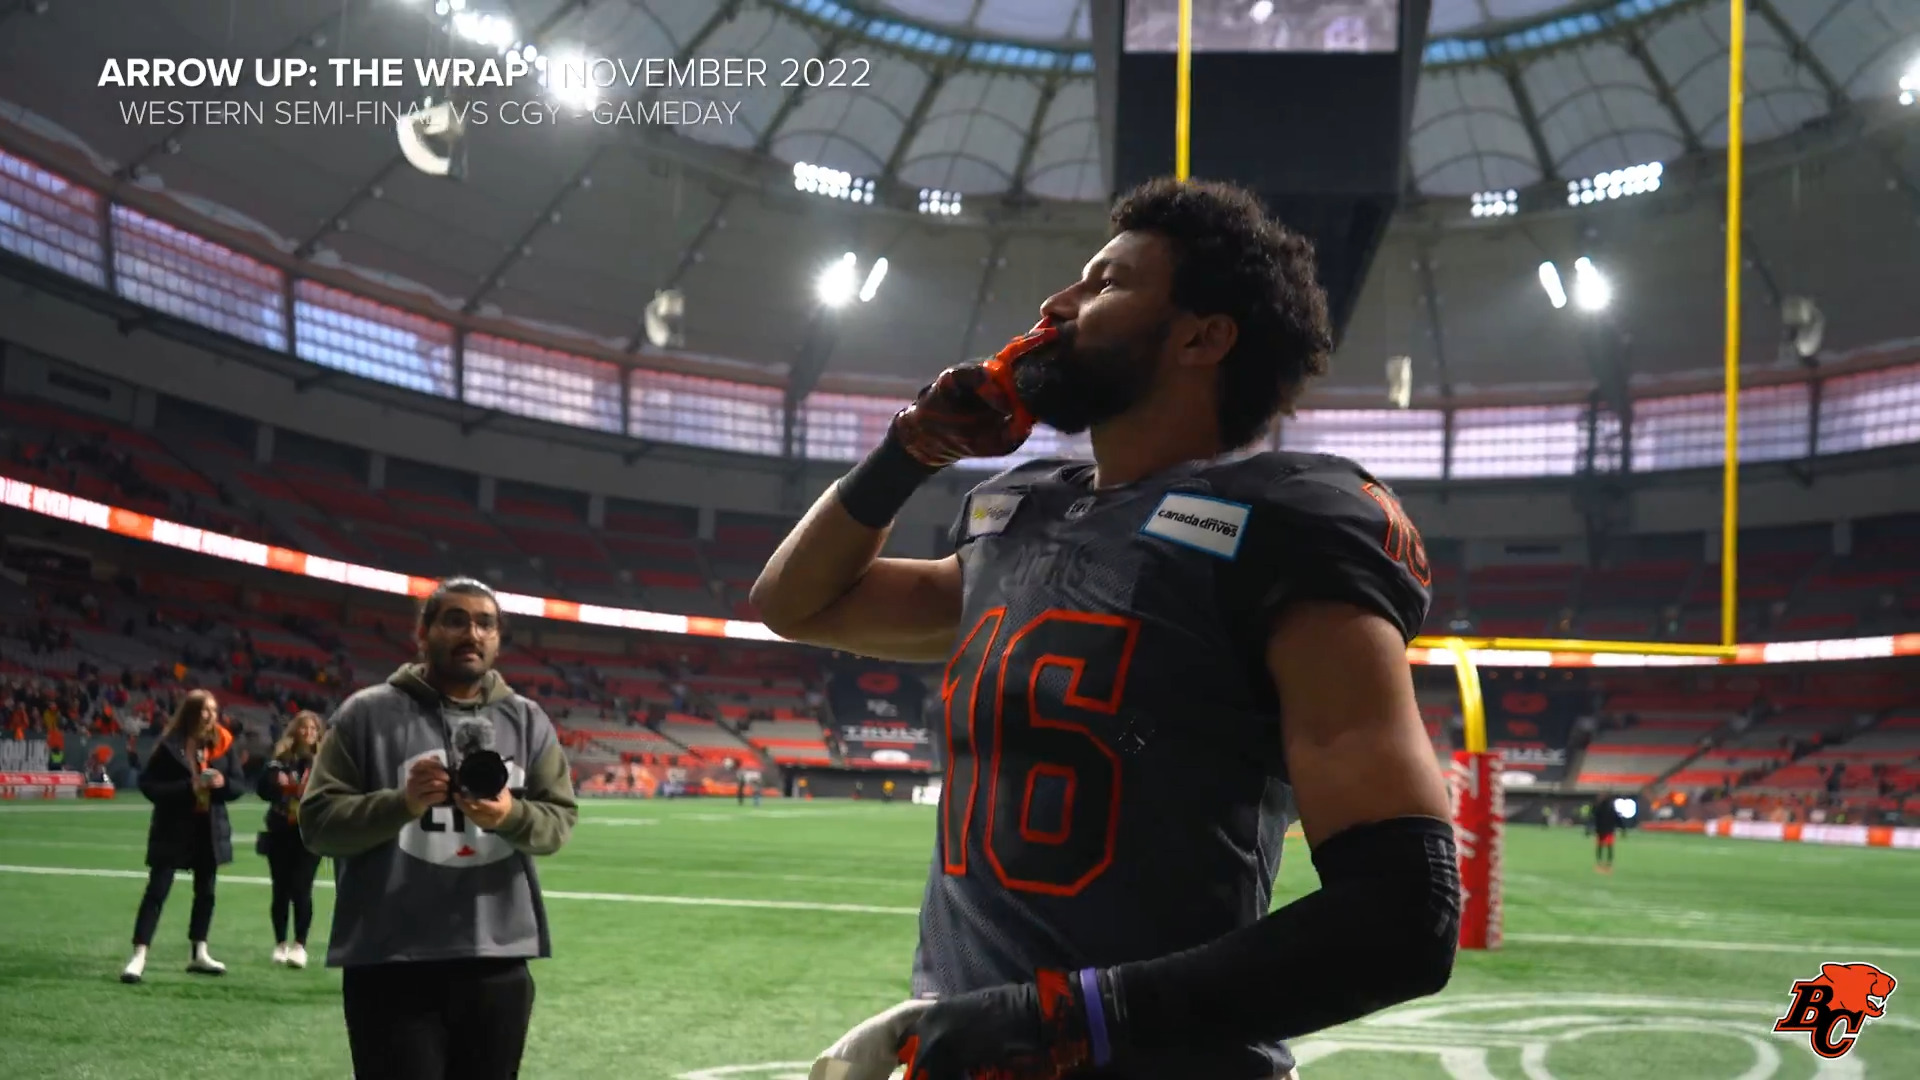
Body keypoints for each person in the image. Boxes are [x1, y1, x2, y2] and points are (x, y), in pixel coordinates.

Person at [757, 178, 1458, 1080]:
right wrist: (909, 451)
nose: (1058, 304)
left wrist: (1052, 1021)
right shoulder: (1018, 516)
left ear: (1203, 336)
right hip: (976, 1052)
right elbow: (796, 604)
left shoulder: (1286, 524)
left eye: (1105, 283)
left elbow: (1405, 919)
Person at [301, 577, 578, 1080]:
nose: (472, 633)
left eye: (486, 623)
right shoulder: (366, 714)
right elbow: (317, 825)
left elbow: (559, 821)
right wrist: (400, 804)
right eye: (455, 620)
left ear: (497, 639)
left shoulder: (528, 720)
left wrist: (510, 816)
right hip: (392, 960)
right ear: (423, 633)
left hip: (497, 960)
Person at [121, 689, 242, 983]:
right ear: (190, 712)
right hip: (173, 827)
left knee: (206, 892)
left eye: (214, 709)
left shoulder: (224, 744)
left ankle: (199, 952)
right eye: (204, 709)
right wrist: (187, 787)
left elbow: (238, 785)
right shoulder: (169, 746)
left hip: (208, 828)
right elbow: (149, 785)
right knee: (158, 889)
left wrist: (221, 783)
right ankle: (139, 954)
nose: (210, 715)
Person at [257, 709, 324, 968]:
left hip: (309, 833)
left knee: (302, 888)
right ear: (295, 730)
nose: (308, 732)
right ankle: (280, 944)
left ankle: (300, 945)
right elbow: (263, 790)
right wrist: (275, 777)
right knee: (280, 890)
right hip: (280, 830)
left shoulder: (323, 760)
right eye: (304, 727)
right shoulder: (281, 758)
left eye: (313, 728)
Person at [1590, 793, 1622, 874]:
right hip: (1609, 831)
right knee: (1609, 847)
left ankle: (1599, 862)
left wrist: (1589, 829)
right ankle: (1609, 864)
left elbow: (1593, 818)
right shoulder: (1611, 808)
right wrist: (1622, 828)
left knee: (1600, 847)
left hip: (1600, 831)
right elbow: (1617, 818)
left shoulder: (1598, 807)